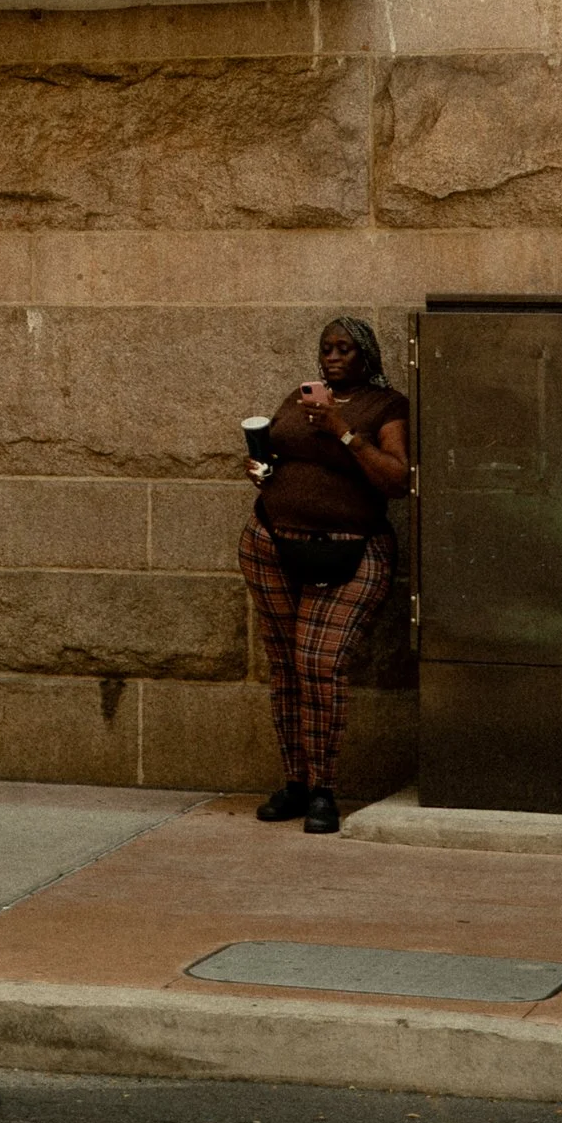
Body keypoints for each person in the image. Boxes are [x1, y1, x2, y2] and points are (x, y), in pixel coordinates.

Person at [240, 315, 411, 834]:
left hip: (350, 552)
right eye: (326, 349)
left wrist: (341, 432)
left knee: (320, 662)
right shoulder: (298, 398)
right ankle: (294, 783)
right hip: (271, 543)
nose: (333, 358)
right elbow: (276, 453)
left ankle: (323, 790)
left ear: (366, 357)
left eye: (344, 350)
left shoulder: (385, 406)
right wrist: (260, 469)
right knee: (285, 667)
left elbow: (397, 479)